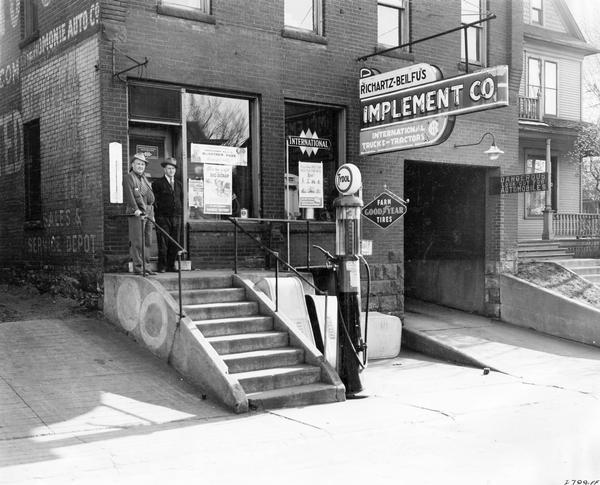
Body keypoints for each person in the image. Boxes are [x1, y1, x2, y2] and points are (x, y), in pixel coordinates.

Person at [124, 153, 156, 275]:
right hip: (136, 213)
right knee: (137, 241)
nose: (140, 166)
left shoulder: (144, 178)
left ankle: (146, 267)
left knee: (148, 241)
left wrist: (152, 213)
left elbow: (149, 196)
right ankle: (138, 268)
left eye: (143, 164)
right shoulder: (129, 177)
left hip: (148, 211)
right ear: (132, 164)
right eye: (138, 163)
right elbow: (129, 195)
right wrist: (135, 209)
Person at [152, 157, 183, 272]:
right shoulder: (157, 184)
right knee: (163, 242)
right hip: (163, 217)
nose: (171, 171)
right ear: (164, 169)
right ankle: (162, 266)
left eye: (173, 169)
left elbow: (180, 200)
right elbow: (154, 201)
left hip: (176, 217)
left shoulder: (179, 185)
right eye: (169, 168)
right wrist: (157, 216)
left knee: (174, 242)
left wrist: (179, 214)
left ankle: (171, 265)